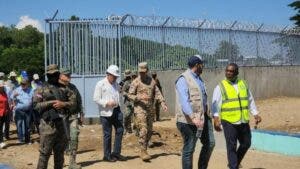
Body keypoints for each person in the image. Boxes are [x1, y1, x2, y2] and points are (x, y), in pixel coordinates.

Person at [212, 63, 262, 169]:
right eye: (227, 71)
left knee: (246, 143)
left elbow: (250, 99)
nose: (228, 73)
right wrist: (216, 119)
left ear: (237, 73)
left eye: (231, 71)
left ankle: (233, 164)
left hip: (243, 120)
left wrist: (255, 113)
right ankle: (233, 166)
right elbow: (215, 104)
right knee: (231, 146)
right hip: (228, 121)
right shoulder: (220, 86)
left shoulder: (243, 83)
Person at [175, 55, 215, 169]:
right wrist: (193, 118)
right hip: (187, 120)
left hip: (203, 117)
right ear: (197, 65)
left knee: (210, 143)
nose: (203, 66)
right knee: (189, 148)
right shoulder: (183, 79)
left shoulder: (199, 79)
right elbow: (184, 101)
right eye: (202, 64)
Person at [33, 64, 76, 169]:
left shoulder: (64, 88)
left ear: (58, 74)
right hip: (48, 126)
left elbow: (74, 103)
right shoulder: (41, 89)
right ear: (47, 75)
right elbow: (36, 106)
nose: (53, 76)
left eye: (55, 74)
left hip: (61, 125)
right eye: (50, 75)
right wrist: (51, 102)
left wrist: (63, 104)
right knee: (44, 155)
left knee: (59, 155)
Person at [127, 62, 168, 161]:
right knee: (144, 129)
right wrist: (138, 98)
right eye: (140, 72)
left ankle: (145, 146)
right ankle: (143, 150)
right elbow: (129, 95)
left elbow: (157, 92)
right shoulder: (135, 82)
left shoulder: (152, 81)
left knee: (149, 130)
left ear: (147, 71)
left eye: (144, 72)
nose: (142, 74)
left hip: (150, 109)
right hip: (140, 109)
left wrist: (162, 103)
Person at [93, 65, 126, 162]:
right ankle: (106, 156)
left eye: (116, 76)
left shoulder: (116, 84)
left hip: (117, 110)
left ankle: (116, 153)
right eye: (114, 76)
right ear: (108, 74)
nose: (115, 78)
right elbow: (96, 98)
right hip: (106, 112)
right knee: (107, 134)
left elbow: (117, 94)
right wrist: (107, 103)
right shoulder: (100, 84)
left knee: (120, 130)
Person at [59, 68, 84, 169]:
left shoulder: (73, 87)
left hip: (73, 116)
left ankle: (72, 162)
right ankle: (60, 161)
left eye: (69, 75)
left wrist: (81, 113)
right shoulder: (56, 87)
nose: (69, 77)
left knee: (74, 137)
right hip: (61, 118)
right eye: (66, 75)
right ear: (61, 76)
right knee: (61, 140)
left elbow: (79, 100)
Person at [11, 79, 34, 144]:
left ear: (27, 84)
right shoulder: (17, 89)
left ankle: (27, 140)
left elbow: (33, 98)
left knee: (28, 125)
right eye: (21, 84)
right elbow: (11, 97)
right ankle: (20, 139)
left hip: (28, 110)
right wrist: (14, 96)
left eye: (24, 84)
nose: (22, 85)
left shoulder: (31, 90)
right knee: (19, 124)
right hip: (19, 110)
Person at [121, 69, 134, 134]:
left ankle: (135, 130)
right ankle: (126, 129)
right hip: (128, 102)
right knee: (127, 116)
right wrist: (127, 95)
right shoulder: (124, 82)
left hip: (135, 102)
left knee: (136, 117)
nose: (127, 76)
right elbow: (122, 92)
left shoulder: (134, 81)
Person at [0, 80, 9, 149]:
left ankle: (1, 141)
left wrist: (8, 109)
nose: (1, 88)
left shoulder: (4, 93)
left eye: (2, 87)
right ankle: (1, 141)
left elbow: (6, 102)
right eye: (1, 87)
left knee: (1, 127)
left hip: (4, 113)